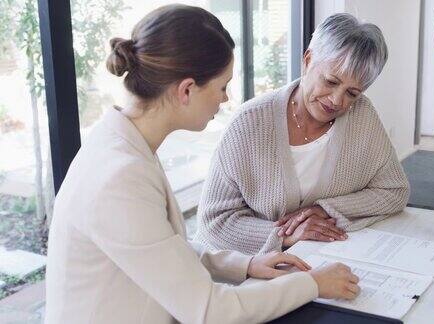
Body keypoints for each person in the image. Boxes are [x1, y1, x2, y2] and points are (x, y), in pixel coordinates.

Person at [44, 5, 359, 324]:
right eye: (222, 87)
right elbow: (211, 311)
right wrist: (313, 283)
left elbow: (162, 249)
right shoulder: (119, 177)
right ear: (186, 90)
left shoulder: (124, 142)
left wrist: (246, 265)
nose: (225, 100)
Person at [195, 13, 410, 255]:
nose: (337, 100)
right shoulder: (249, 123)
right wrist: (285, 235)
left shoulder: (362, 116)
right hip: (249, 267)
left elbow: (394, 191)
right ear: (308, 60)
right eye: (330, 81)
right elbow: (213, 223)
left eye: (352, 93)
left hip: (326, 258)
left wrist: (324, 210)